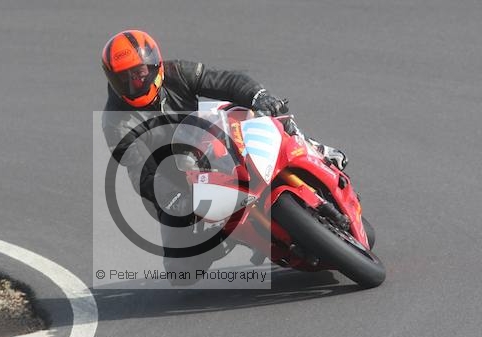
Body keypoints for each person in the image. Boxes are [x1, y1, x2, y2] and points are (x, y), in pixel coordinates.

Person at [101, 29, 346, 285]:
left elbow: (224, 81)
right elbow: (141, 171)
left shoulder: (177, 73)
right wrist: (172, 197)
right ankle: (227, 236)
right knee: (180, 271)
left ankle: (316, 149)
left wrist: (258, 96)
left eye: (139, 73)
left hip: (208, 139)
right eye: (124, 79)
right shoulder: (115, 123)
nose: (134, 83)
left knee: (262, 114)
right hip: (176, 180)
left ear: (154, 65)